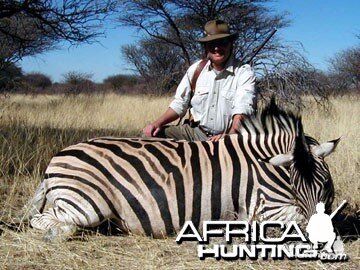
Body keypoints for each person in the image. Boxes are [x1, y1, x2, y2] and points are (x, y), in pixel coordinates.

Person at [142, 19, 256, 142]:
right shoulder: (196, 69)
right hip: (195, 133)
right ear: (206, 47)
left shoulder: (244, 72)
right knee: (149, 136)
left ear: (230, 44)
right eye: (212, 43)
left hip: (227, 136)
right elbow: (180, 104)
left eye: (222, 42)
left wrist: (230, 136)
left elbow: (243, 108)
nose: (217, 48)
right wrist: (156, 124)